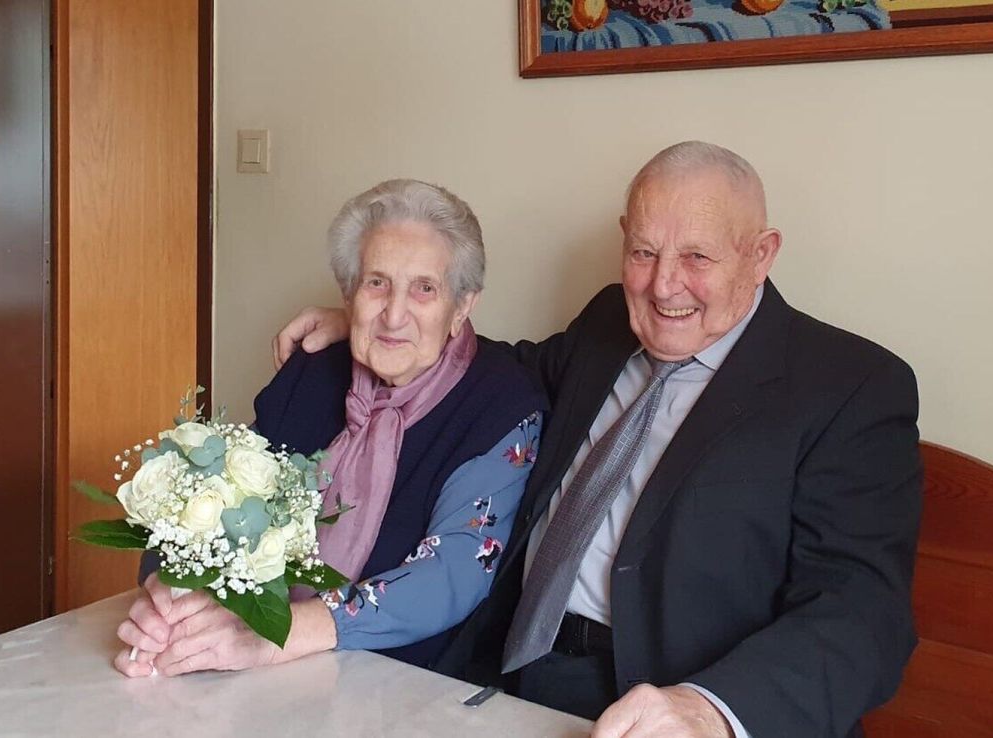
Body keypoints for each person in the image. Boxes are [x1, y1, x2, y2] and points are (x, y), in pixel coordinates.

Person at [274, 142, 922, 737]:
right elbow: (496, 370)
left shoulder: (848, 387)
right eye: (644, 252)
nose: (664, 285)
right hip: (504, 668)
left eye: (696, 256)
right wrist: (386, 323)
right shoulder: (609, 321)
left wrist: (712, 709)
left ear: (761, 253)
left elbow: (861, 610)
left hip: (664, 701)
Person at [113, 179, 547, 678]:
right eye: (376, 283)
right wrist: (170, 598)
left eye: (425, 288)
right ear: (348, 293)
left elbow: (456, 569)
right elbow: (213, 498)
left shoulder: (501, 402)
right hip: (260, 670)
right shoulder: (314, 371)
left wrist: (276, 636)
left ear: (464, 304)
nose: (394, 313)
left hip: (410, 686)